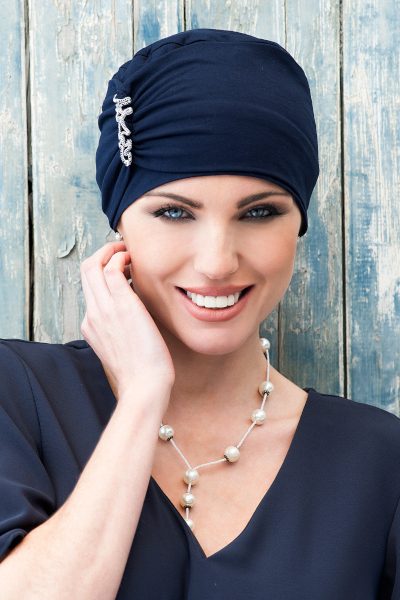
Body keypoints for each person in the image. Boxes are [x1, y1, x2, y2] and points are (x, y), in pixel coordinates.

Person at [0, 28, 399, 600]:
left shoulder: (378, 460)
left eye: (259, 212)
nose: (217, 262)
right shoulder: (19, 397)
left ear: (298, 226)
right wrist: (143, 396)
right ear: (120, 224)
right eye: (174, 213)